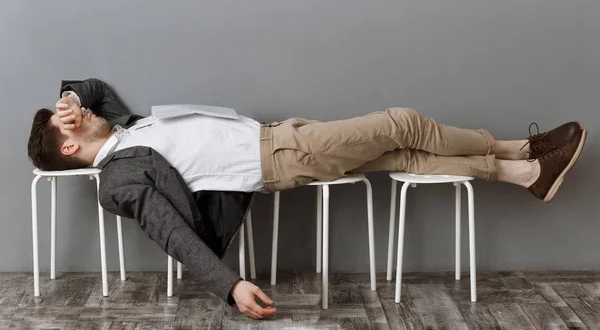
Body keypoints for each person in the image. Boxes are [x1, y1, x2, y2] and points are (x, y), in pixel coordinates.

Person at [27, 78, 586, 319]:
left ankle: (529, 173)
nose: (80, 111)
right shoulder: (117, 180)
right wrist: (230, 285)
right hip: (281, 156)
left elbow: (93, 86)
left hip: (279, 132)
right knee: (403, 122)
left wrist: (70, 96)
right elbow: (170, 232)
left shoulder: (121, 127)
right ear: (72, 143)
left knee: (404, 155)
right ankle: (518, 145)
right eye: (68, 119)